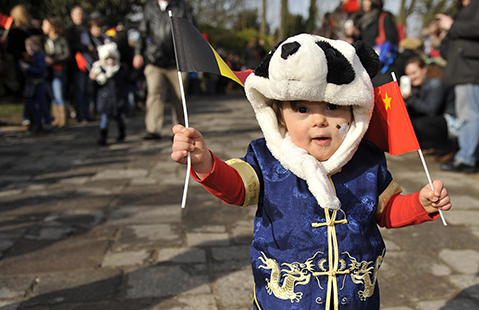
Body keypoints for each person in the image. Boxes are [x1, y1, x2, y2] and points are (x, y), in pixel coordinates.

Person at [171, 34, 451, 309]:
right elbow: (237, 188)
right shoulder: (267, 157)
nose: (319, 120)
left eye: (332, 107)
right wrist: (204, 162)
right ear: (280, 116)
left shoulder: (368, 159)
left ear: (355, 110)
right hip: (283, 302)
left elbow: (386, 209)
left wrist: (420, 204)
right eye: (302, 109)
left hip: (354, 300)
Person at [436, 0, 479, 173]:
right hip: (466, 66)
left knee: (469, 113)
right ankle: (474, 155)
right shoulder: (468, 6)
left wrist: (452, 25)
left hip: (472, 67)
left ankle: (467, 158)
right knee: (470, 112)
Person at [133, 0, 196, 140]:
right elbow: (142, 32)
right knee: (154, 93)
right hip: (154, 61)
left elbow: (192, 32)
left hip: (177, 62)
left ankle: (181, 130)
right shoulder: (150, 7)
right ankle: (153, 129)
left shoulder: (183, 7)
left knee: (179, 97)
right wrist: (138, 53)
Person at [402, 55, 457, 162]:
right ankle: (430, 146)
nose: (411, 77)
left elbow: (430, 110)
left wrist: (410, 97)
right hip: (436, 120)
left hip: (450, 123)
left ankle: (447, 148)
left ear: (423, 70)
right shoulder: (416, 87)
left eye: (414, 73)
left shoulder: (436, 85)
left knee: (421, 123)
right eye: (408, 74)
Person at [3, 5, 43, 127]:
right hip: (34, 65)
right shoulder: (34, 31)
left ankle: (29, 118)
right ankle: (35, 117)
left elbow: (10, 50)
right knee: (36, 92)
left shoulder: (15, 32)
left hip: (23, 65)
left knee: (28, 93)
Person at [89, 42, 128, 146]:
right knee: (104, 120)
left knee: (119, 118)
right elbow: (94, 86)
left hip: (117, 100)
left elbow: (127, 81)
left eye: (112, 58)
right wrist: (96, 78)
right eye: (107, 59)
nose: (110, 61)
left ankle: (122, 133)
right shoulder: (100, 70)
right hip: (105, 100)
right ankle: (103, 137)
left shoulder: (120, 69)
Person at [65, 5, 92, 122]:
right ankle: (80, 114)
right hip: (78, 65)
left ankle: (87, 113)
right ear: (72, 16)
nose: (80, 17)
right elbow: (71, 46)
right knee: (80, 90)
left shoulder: (86, 29)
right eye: (77, 14)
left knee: (88, 89)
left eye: (81, 14)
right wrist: (86, 47)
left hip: (89, 64)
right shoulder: (70, 30)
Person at [42, 17, 70, 128]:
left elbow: (67, 55)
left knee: (59, 95)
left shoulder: (61, 40)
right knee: (53, 96)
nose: (42, 27)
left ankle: (62, 120)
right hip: (48, 72)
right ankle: (56, 119)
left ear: (52, 27)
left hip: (58, 70)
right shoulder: (45, 41)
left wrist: (53, 60)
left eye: (45, 24)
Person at [20, 36, 50, 133]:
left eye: (32, 45)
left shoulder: (40, 56)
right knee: (31, 104)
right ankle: (37, 124)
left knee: (42, 105)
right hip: (30, 84)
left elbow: (41, 70)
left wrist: (28, 68)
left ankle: (47, 124)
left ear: (37, 46)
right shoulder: (28, 57)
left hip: (39, 83)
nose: (29, 48)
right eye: (27, 46)